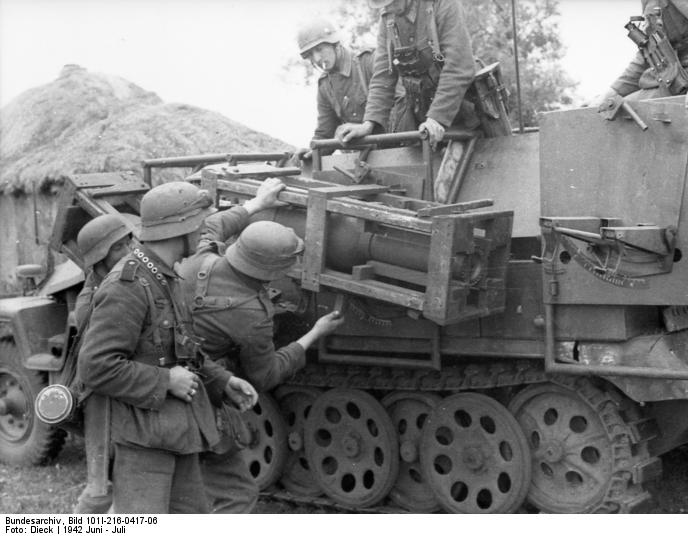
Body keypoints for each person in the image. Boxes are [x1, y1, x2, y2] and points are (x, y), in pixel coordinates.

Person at [77, 181, 259, 514]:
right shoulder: (128, 285)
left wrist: (222, 381)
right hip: (143, 444)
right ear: (183, 227)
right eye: (200, 224)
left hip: (176, 435)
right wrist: (166, 381)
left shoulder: (163, 277)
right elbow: (96, 366)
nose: (204, 231)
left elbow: (182, 350)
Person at [176, 178, 345, 513]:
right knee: (236, 493)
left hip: (173, 370)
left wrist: (257, 202)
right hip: (202, 389)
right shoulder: (253, 317)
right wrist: (314, 334)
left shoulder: (202, 259)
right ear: (273, 270)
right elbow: (265, 375)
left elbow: (213, 223)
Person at [336, 0, 478, 147]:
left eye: (392, 2)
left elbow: (459, 66)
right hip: (421, 119)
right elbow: (383, 76)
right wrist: (368, 124)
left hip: (462, 116)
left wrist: (437, 118)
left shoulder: (442, 4)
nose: (388, 7)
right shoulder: (388, 18)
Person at [72, 213, 137, 514]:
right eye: (117, 248)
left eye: (128, 243)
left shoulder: (120, 280)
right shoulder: (92, 299)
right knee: (100, 485)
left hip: (123, 387)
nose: (127, 252)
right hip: (100, 394)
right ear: (99, 258)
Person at [291, 19, 376, 165]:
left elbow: (398, 108)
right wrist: (313, 150)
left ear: (335, 44)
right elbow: (325, 132)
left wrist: (368, 126)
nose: (317, 58)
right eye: (310, 54)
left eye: (319, 49)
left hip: (397, 150)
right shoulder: (325, 85)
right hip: (361, 160)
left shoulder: (368, 62)